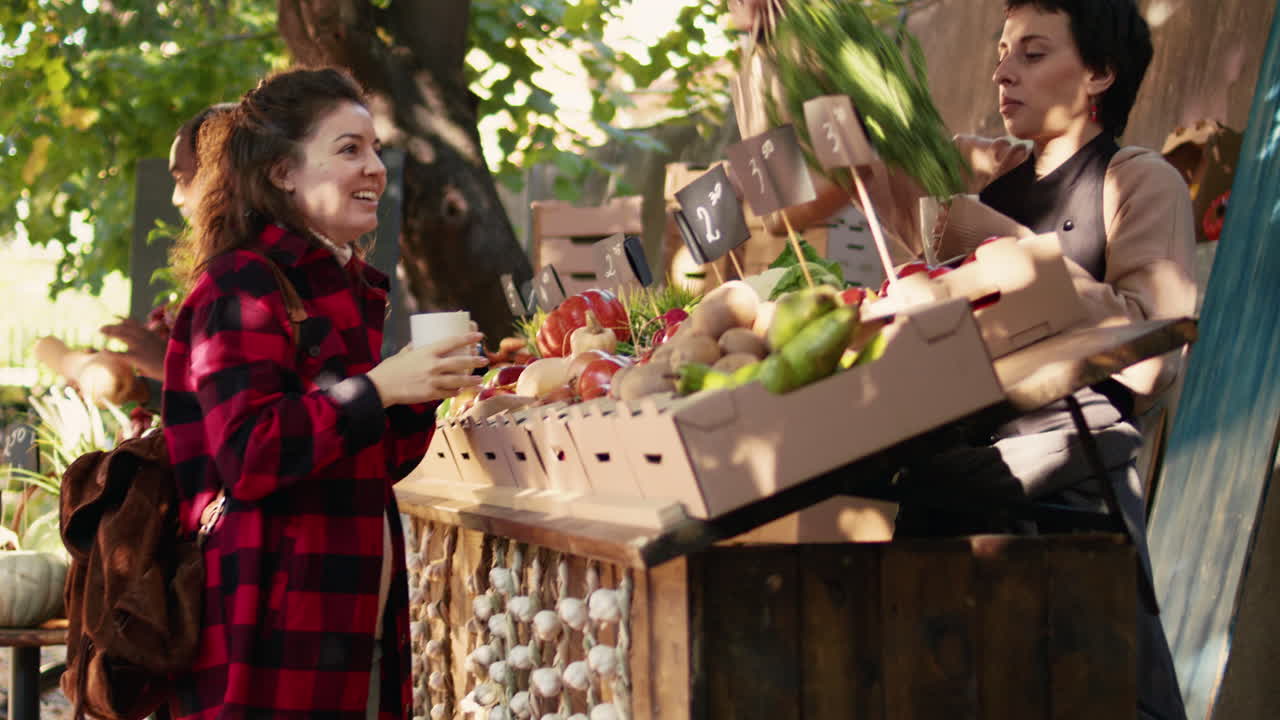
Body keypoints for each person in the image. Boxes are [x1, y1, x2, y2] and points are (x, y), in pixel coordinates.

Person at [886, 2, 1194, 719]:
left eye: (1031, 53)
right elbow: (853, 168)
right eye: (1001, 51)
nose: (1001, 71)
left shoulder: (1138, 181)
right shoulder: (986, 176)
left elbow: (1152, 362)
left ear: (1100, 73)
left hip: (1065, 508)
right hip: (957, 496)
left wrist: (1008, 247)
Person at [161, 66, 486, 719]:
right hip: (273, 628)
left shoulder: (339, 285)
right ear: (283, 172)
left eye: (373, 149)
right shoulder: (243, 284)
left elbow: (372, 464)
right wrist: (377, 389)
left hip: (345, 616)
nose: (375, 168)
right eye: (348, 150)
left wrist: (419, 391)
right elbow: (251, 457)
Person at [99, 103, 237, 400]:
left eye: (181, 178)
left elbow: (240, 417)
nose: (176, 198)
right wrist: (142, 389)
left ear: (222, 177)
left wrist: (169, 366)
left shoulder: (249, 280)